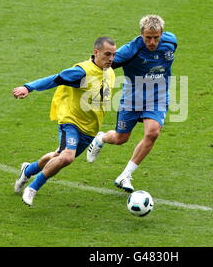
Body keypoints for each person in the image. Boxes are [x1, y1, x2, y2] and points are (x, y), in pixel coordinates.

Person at [12, 37, 116, 205]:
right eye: (107, 54)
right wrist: (28, 87)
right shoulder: (82, 72)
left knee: (58, 156)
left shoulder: (109, 72)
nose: (111, 59)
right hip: (71, 121)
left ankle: (28, 169)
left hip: (90, 129)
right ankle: (33, 188)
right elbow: (56, 78)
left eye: (113, 55)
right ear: (96, 52)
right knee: (67, 157)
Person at [87, 15, 178, 192]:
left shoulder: (171, 42)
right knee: (121, 138)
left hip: (157, 98)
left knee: (152, 133)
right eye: (148, 38)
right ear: (141, 34)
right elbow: (102, 65)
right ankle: (101, 138)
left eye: (156, 37)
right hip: (132, 99)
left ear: (162, 34)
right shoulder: (129, 51)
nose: (152, 42)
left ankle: (125, 176)